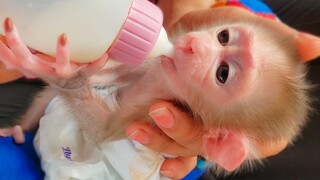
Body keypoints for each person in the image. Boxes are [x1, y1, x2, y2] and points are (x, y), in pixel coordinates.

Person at [0, 0, 319, 179]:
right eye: (223, 37)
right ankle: (24, 125)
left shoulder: (166, 122)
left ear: (218, 134)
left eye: (223, 72)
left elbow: (102, 128)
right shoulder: (171, 61)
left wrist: (73, 85)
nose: (199, 44)